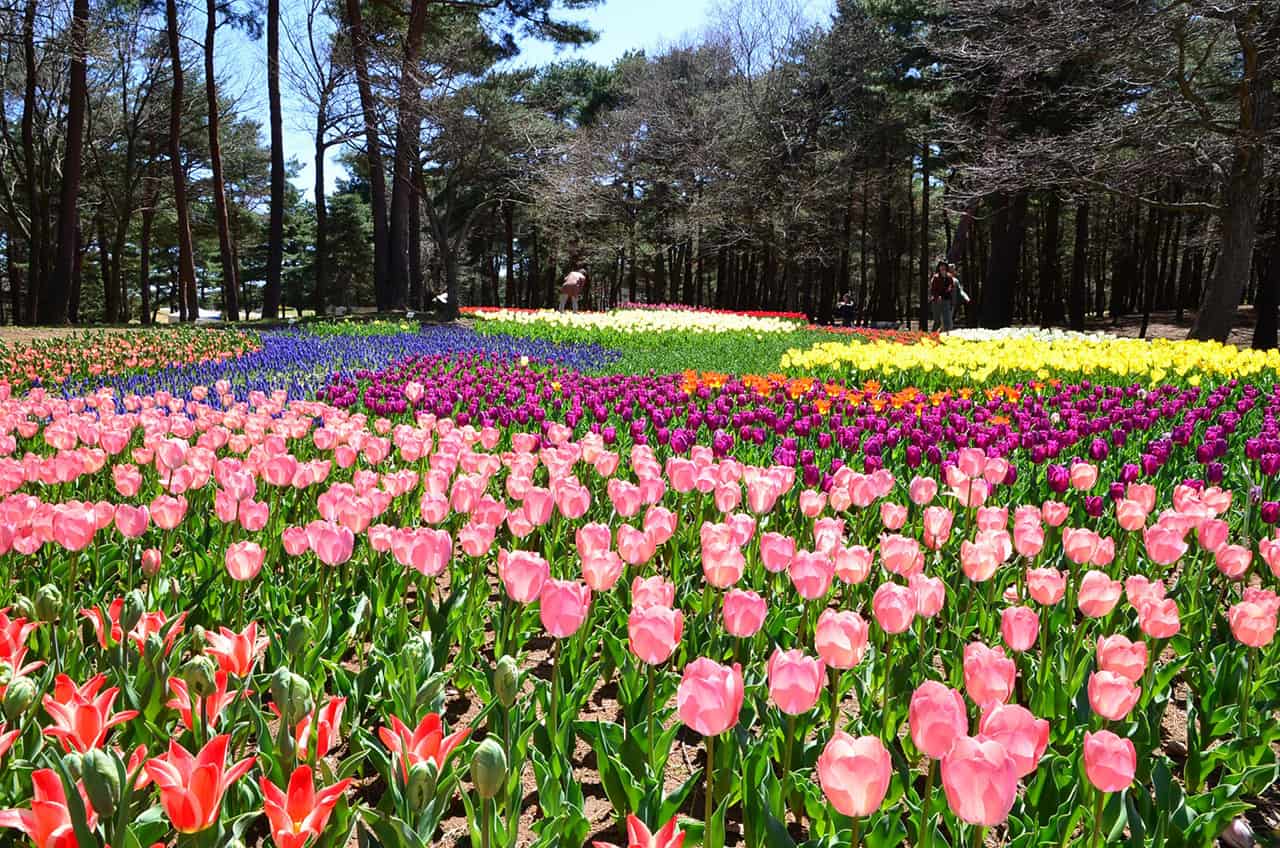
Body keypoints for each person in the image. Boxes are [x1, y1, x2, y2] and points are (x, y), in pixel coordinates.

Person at [929, 260, 955, 332]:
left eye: (944, 266)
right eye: (941, 266)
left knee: (947, 320)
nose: (943, 268)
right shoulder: (935, 277)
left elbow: (951, 287)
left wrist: (949, 290)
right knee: (937, 321)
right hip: (937, 301)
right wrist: (937, 296)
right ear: (939, 268)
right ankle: (933, 336)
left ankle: (947, 337)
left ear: (946, 267)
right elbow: (933, 290)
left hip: (946, 300)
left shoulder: (949, 277)